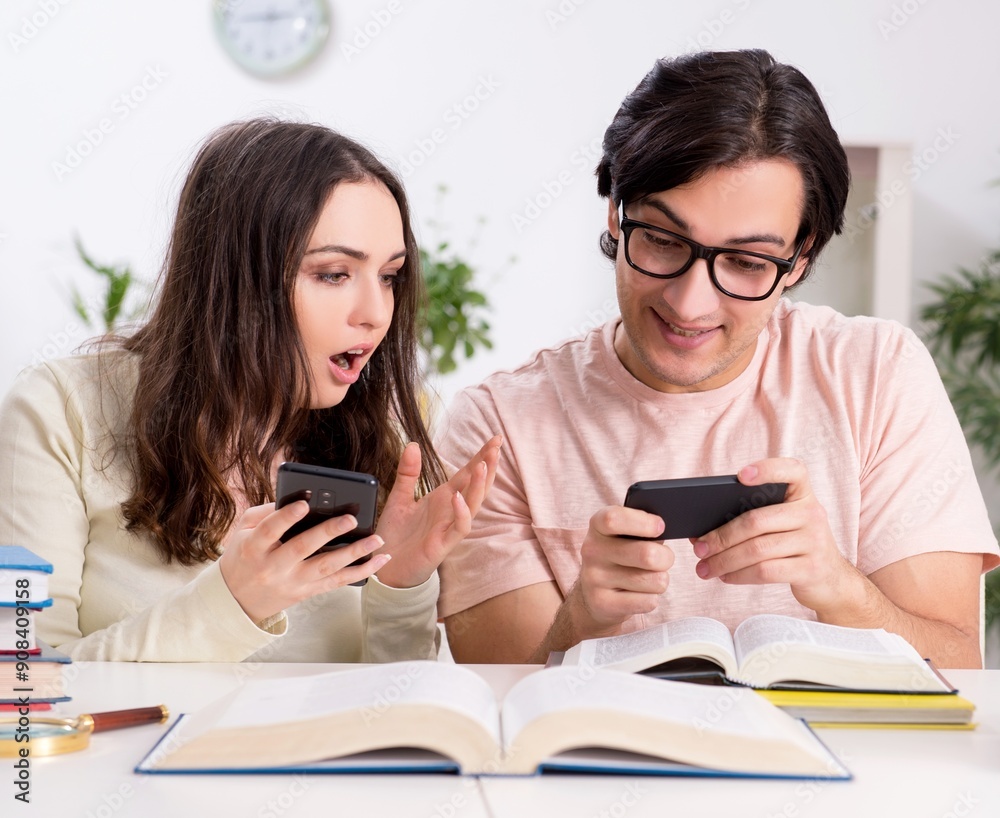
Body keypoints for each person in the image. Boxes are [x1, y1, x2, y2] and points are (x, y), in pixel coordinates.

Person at [435, 49, 1000, 668]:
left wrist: (839, 587)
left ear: (801, 259)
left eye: (747, 262)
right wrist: (582, 617)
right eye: (661, 239)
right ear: (615, 217)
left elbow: (960, 669)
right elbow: (497, 710)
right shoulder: (498, 424)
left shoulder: (877, 374)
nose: (689, 302)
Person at [0, 118, 501, 662]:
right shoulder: (59, 410)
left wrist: (402, 585)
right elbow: (25, 686)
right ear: (234, 279)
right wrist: (231, 602)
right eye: (334, 274)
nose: (376, 314)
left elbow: (396, 717)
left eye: (389, 276)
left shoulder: (389, 431)